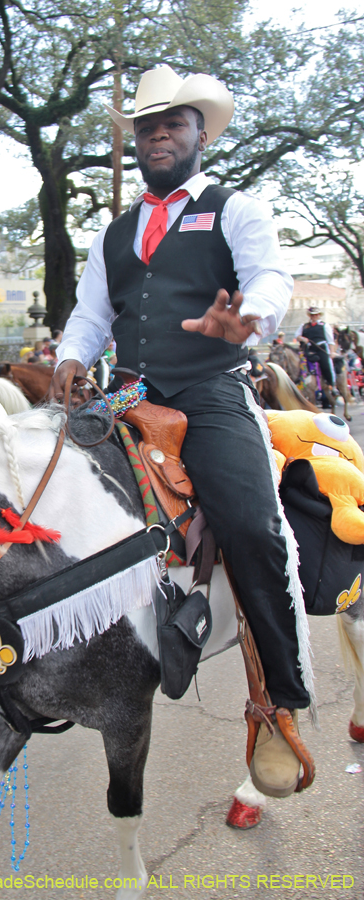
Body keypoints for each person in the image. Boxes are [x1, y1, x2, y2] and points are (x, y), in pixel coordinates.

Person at [49, 65, 314, 798]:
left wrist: (249, 321)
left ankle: (282, 695)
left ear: (201, 134)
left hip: (209, 387)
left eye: (174, 123)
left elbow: (271, 280)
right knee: (38, 490)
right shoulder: (117, 231)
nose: (159, 133)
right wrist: (73, 356)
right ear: (136, 141)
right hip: (130, 390)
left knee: (255, 527)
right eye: (146, 126)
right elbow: (93, 314)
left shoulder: (235, 208)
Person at [295, 306, 336, 387]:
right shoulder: (304, 326)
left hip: (321, 348)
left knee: (326, 366)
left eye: (316, 315)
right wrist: (302, 339)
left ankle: (332, 385)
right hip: (309, 349)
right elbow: (297, 335)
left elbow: (330, 340)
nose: (314, 316)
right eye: (312, 315)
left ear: (319, 315)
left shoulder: (324, 325)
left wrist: (332, 352)